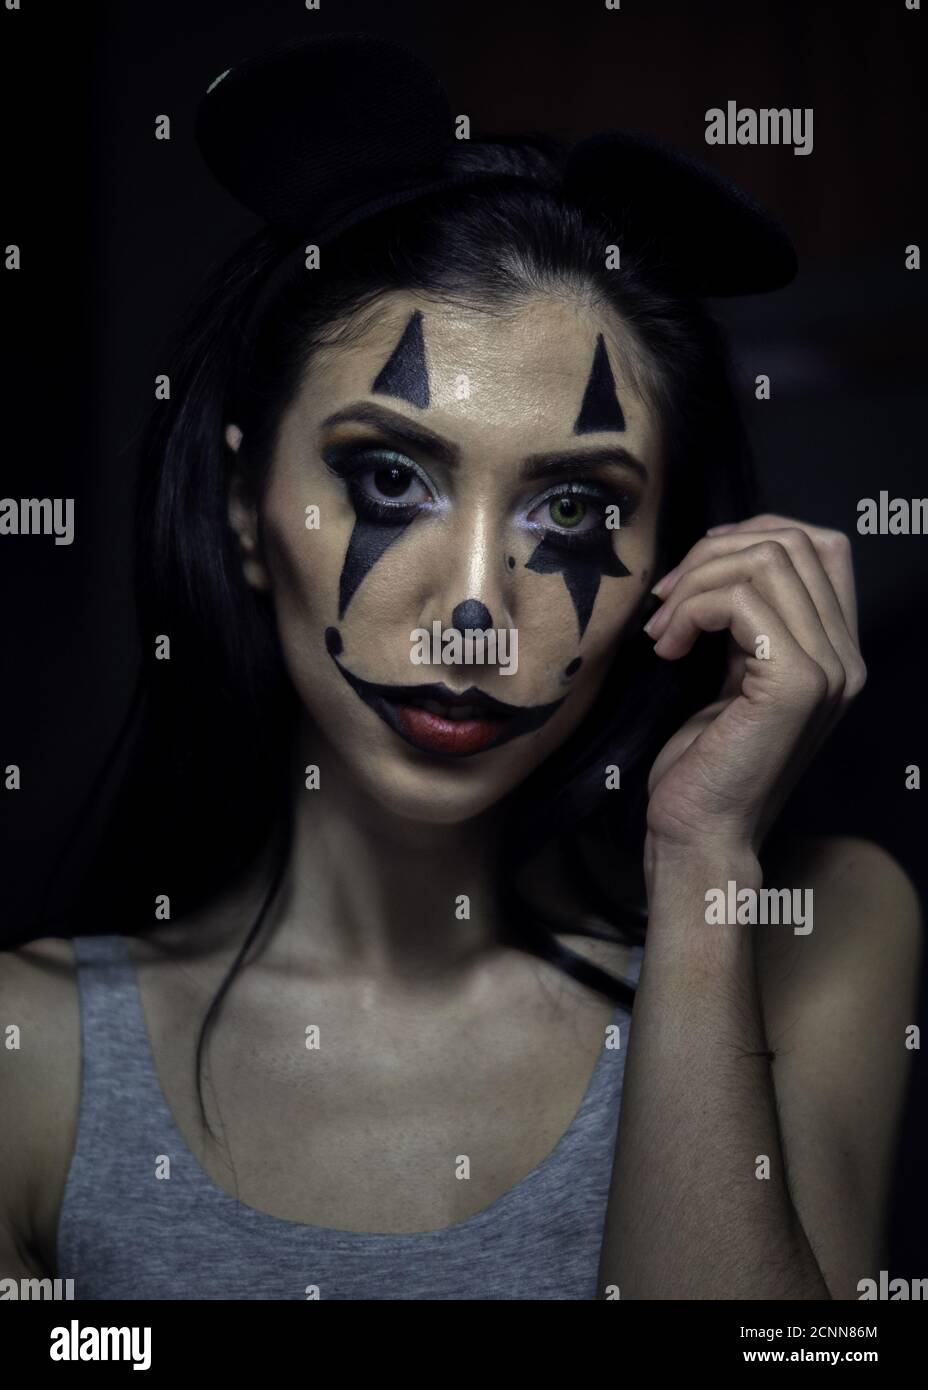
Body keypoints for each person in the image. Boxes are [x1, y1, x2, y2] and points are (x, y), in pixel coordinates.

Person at [0, 35, 920, 1301]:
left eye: (575, 510)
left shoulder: (816, 935)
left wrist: (705, 867)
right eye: (390, 479)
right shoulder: (29, 1056)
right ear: (239, 506)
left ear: (677, 564)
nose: (476, 615)